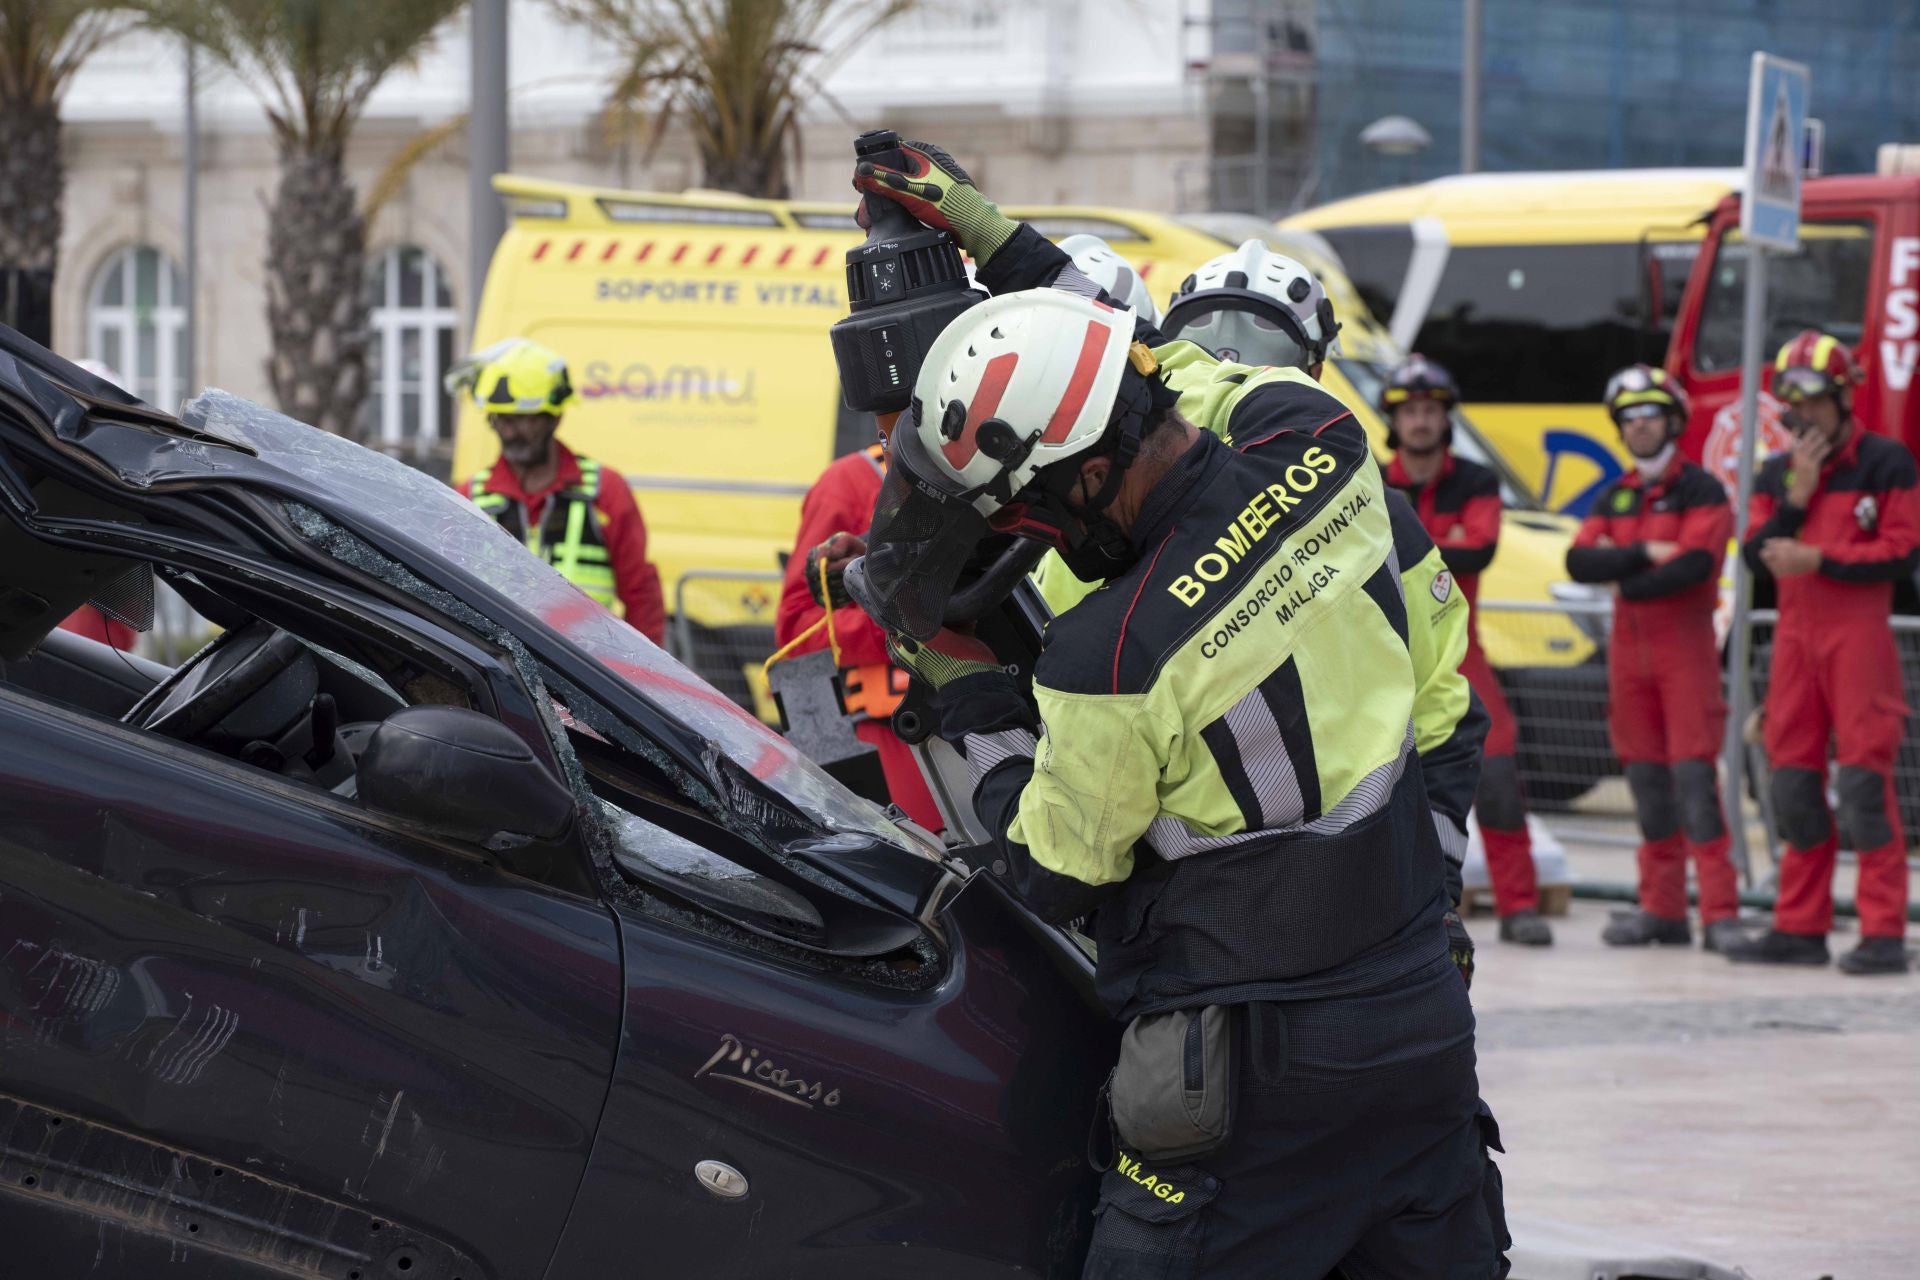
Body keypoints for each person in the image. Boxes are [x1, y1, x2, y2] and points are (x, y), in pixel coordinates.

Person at [850, 142, 1508, 1278]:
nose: (1040, 539)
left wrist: (969, 695)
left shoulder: (1109, 658)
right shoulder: (1314, 436)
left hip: (1247, 1080)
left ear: (1090, 479)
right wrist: (999, 244)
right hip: (1414, 1024)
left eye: (1035, 514)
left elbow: (1050, 863)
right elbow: (1148, 366)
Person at [1724, 331, 1918, 975]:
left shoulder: (1887, 461)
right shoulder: (1777, 474)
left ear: (1841, 397)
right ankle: (1800, 926)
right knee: (1793, 784)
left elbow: (1904, 552)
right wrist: (1797, 500)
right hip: (1795, 640)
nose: (1800, 416)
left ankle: (1883, 932)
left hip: (1859, 638)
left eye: (1812, 401)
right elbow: (1754, 554)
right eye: (1790, 403)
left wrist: (1821, 558)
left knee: (1864, 785)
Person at [1566, 365, 1741, 951]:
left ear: (1672, 421)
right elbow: (1578, 561)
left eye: (1650, 416)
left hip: (1684, 656)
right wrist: (1646, 551)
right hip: (1629, 661)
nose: (1640, 427)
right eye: (1630, 418)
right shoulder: (1615, 493)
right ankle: (1662, 911)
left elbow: (1695, 566)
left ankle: (1720, 914)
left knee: (1695, 782)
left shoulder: (1704, 490)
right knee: (1646, 783)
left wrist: (1627, 572)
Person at [1379, 354, 1552, 946]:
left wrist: (1408, 547)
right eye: (1410, 412)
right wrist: (1442, 544)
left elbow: (1479, 550)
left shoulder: (1476, 483)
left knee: (1499, 780)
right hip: (1386, 662)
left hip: (1460, 656)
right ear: (1394, 421)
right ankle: (1399, 914)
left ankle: (1519, 905)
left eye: (1431, 411)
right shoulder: (1371, 479)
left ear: (1446, 419)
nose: (1421, 422)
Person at [774, 432, 944, 832]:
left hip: (987, 722)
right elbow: (795, 630)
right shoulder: (849, 482)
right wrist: (900, 619)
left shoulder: (998, 477)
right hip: (886, 740)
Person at [454, 339, 666, 644]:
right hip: (497, 678)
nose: (510, 431)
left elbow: (641, 596)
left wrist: (646, 678)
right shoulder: (469, 498)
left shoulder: (605, 492)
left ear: (555, 417)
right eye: (501, 418)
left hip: (587, 674)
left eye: (522, 418)